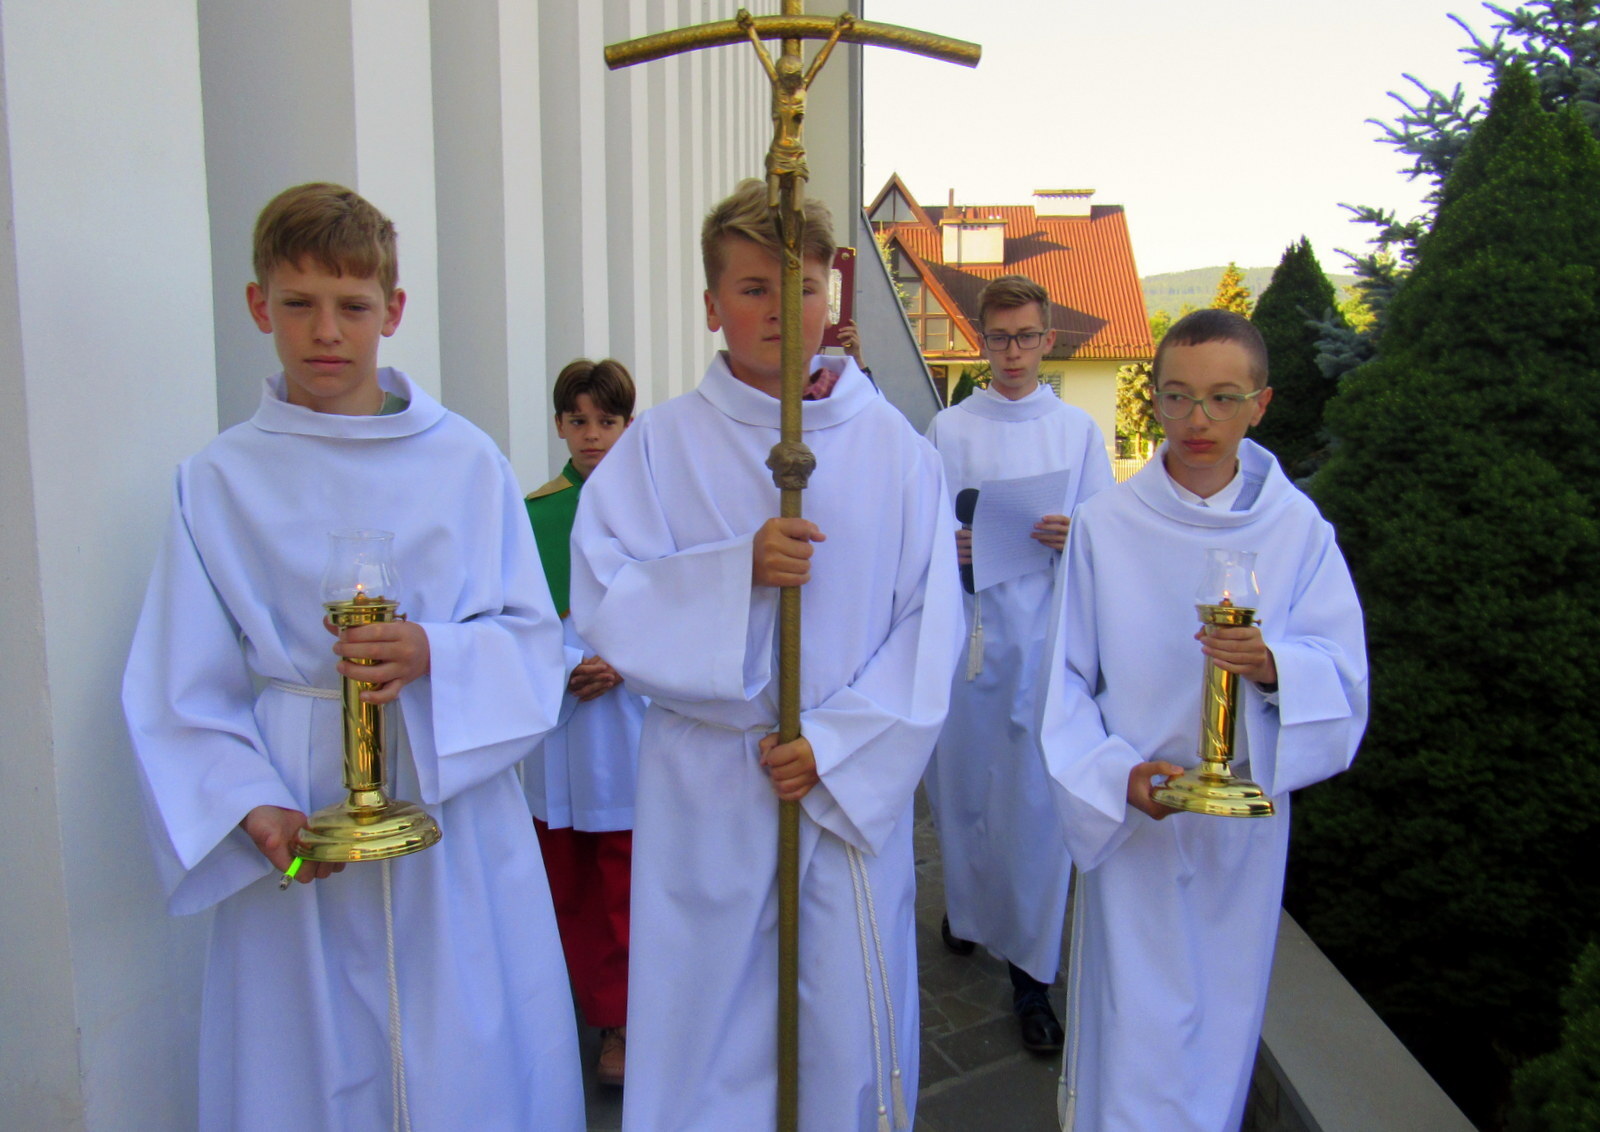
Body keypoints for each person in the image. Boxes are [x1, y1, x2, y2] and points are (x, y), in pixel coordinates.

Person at [121, 182, 585, 1131]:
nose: (325, 331)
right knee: (305, 1063)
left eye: (352, 305)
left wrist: (434, 653)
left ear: (393, 310)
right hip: (301, 815)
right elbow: (180, 684)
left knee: (467, 1053)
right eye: (298, 303)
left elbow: (536, 644)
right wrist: (251, 807)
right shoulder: (218, 480)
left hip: (450, 814)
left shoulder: (467, 463)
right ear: (259, 306)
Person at [568, 179, 964, 1132]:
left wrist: (835, 743)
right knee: (709, 1033)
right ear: (712, 305)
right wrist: (732, 575)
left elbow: (931, 627)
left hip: (839, 786)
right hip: (711, 786)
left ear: (833, 292)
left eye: (803, 287)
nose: (783, 310)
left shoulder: (895, 448)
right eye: (753, 289)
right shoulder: (660, 445)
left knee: (844, 1034)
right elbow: (606, 596)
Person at [1037, 308, 1368, 1131]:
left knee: (1220, 1026)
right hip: (1139, 823)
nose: (1198, 420)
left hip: (1240, 833)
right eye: (1178, 396)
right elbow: (1065, 681)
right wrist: (1115, 778)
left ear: (1261, 403)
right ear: (1152, 399)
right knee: (1134, 1032)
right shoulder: (1107, 525)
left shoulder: (1298, 530)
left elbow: (1344, 675)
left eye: (1223, 398)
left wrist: (1274, 665)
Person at [922, 274, 1114, 1052]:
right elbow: (920, 526)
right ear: (980, 339)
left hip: (1045, 641)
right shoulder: (948, 429)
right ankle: (969, 907)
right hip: (969, 641)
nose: (1012, 352)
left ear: (1047, 340)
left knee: (1034, 808)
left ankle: (1031, 977)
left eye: (1026, 337)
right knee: (966, 793)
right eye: (999, 338)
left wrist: (1079, 534)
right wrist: (953, 545)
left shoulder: (1076, 431)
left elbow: (1108, 530)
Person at [523, 357, 645, 1088]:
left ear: (629, 425)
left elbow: (682, 606)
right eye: (578, 420)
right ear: (559, 426)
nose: (592, 435)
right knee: (568, 877)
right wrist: (564, 667)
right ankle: (598, 1013)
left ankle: (631, 1019)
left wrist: (628, 660)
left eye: (607, 420)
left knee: (631, 875)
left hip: (633, 719)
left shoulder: (655, 509)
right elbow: (510, 621)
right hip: (563, 720)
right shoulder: (534, 514)